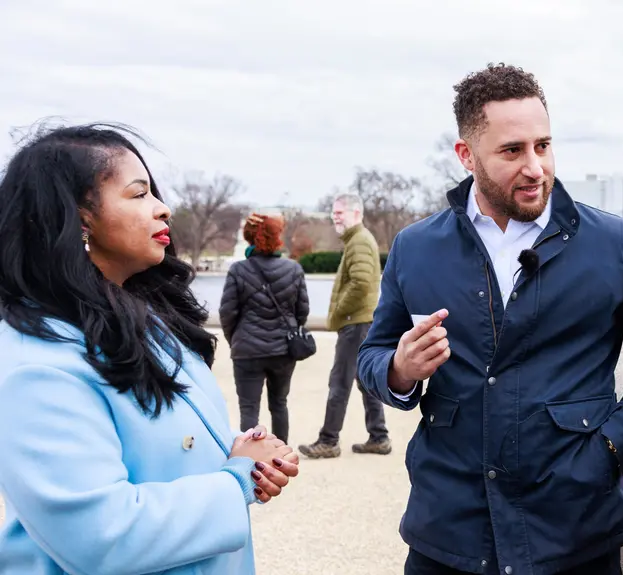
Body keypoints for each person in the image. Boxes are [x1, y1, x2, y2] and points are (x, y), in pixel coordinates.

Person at [357, 63, 623, 574]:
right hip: (447, 530)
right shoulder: (415, 247)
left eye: (543, 145)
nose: (535, 166)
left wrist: (610, 448)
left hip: (574, 529)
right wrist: (400, 370)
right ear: (466, 155)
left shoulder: (618, 244)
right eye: (512, 151)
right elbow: (372, 355)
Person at [0, 123, 300, 575]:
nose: (163, 209)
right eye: (139, 195)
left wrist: (239, 456)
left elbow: (167, 454)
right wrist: (235, 480)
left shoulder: (150, 321)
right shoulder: (37, 365)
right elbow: (101, 536)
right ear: (79, 218)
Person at [299, 193, 389, 458]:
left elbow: (360, 283)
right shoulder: (357, 240)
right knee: (364, 381)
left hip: (356, 323)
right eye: (334, 212)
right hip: (362, 322)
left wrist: (338, 312)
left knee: (339, 382)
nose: (334, 217)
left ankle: (328, 441)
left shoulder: (359, 241)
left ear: (356, 213)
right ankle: (379, 436)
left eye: (340, 213)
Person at [219, 212, 309, 444]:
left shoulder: (238, 270)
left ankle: (251, 461)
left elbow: (227, 313)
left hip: (247, 350)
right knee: (279, 404)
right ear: (278, 237)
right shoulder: (293, 269)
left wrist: (236, 339)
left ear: (249, 237)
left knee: (249, 408)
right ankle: (281, 456)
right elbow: (302, 312)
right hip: (282, 351)